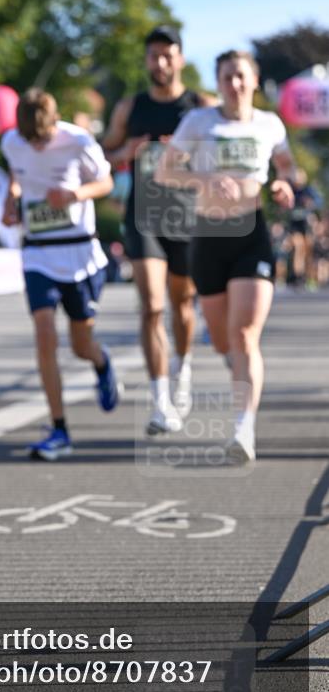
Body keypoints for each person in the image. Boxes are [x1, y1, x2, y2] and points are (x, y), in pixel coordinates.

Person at [156, 50, 295, 462]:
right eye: (226, 77)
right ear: (217, 83)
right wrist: (206, 178)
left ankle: (243, 430)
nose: (233, 84)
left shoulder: (270, 125)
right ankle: (235, 370)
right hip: (208, 235)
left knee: (245, 334)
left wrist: (284, 186)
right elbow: (165, 172)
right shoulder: (199, 122)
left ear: (254, 80)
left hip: (251, 235)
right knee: (222, 340)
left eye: (240, 76)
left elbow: (288, 168)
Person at [102, 26, 214, 435]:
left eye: (168, 55)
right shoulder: (130, 108)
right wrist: (125, 152)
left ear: (181, 59)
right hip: (143, 216)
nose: (160, 63)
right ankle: (159, 399)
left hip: (188, 216)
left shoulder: (200, 106)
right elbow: (103, 153)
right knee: (151, 306)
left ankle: (182, 372)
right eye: (153, 56)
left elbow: (223, 153)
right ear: (147, 60)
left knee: (182, 306)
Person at [1, 88, 120, 460]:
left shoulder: (78, 140)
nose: (36, 147)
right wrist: (11, 201)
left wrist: (75, 195)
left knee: (81, 345)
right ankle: (59, 429)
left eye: (43, 138)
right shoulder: (12, 141)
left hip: (80, 252)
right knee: (44, 335)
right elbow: (18, 177)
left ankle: (101, 362)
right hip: (38, 254)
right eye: (28, 139)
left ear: (56, 123)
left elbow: (107, 183)